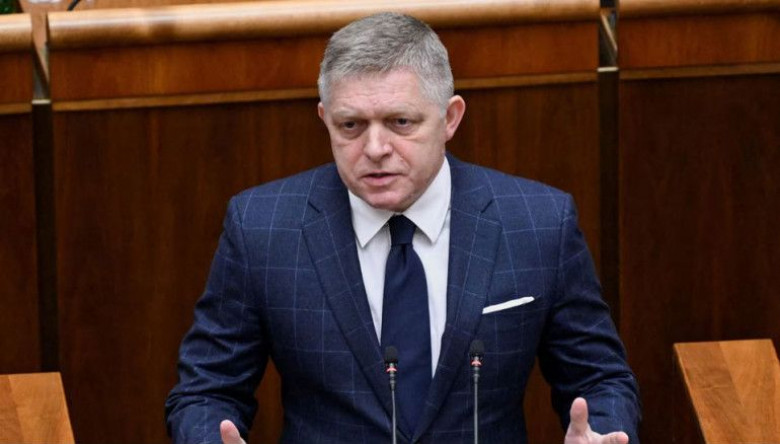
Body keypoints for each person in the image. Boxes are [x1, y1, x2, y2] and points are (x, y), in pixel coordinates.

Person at [165, 12, 640, 444]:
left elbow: (599, 378)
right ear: (325, 120)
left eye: (400, 122)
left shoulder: (538, 222)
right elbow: (206, 391)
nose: (375, 148)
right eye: (351, 125)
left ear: (450, 118)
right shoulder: (263, 227)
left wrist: (603, 432)